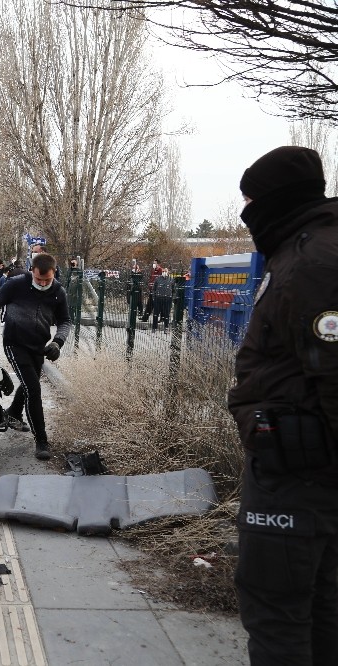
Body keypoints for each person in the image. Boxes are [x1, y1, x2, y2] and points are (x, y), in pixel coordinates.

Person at [227, 146, 338, 665]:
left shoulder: (313, 263)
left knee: (279, 614)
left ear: (275, 202)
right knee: (318, 609)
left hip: (298, 474)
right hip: (300, 470)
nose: (246, 212)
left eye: (250, 201)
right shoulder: (306, 249)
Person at [0, 253, 71, 460]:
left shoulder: (58, 292)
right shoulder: (15, 285)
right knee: (33, 388)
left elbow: (65, 321)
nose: (42, 283)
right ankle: (41, 440)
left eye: (47, 280)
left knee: (29, 382)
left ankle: (13, 412)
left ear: (53, 274)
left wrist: (58, 342)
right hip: (15, 343)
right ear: (32, 271)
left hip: (38, 346)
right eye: (39, 279)